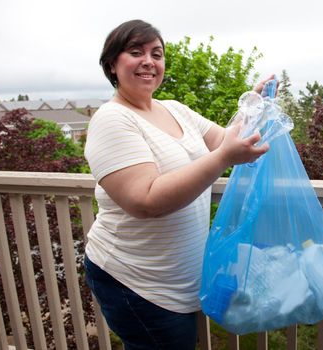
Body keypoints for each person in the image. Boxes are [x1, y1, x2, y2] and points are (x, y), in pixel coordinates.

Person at [83, 19, 273, 350]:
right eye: (135, 51)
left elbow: (226, 140)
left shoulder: (174, 109)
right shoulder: (112, 120)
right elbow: (145, 200)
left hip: (175, 281)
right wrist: (223, 159)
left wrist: (253, 105)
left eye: (156, 54)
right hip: (137, 282)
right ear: (112, 64)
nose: (148, 61)